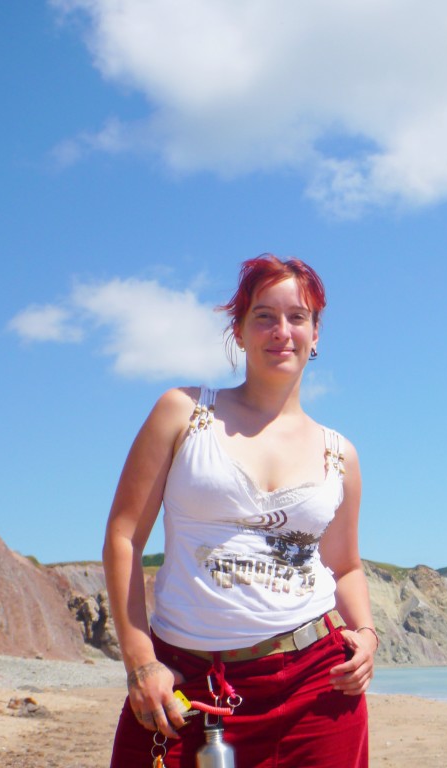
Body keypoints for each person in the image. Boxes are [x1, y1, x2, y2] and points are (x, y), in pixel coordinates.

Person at [104, 255, 376, 767]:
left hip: (316, 686)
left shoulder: (340, 453)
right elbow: (123, 538)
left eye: (298, 317)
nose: (282, 331)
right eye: (264, 316)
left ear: (316, 333)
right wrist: (141, 663)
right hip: (183, 683)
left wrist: (367, 635)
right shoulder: (182, 412)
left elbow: (345, 567)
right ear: (240, 330)